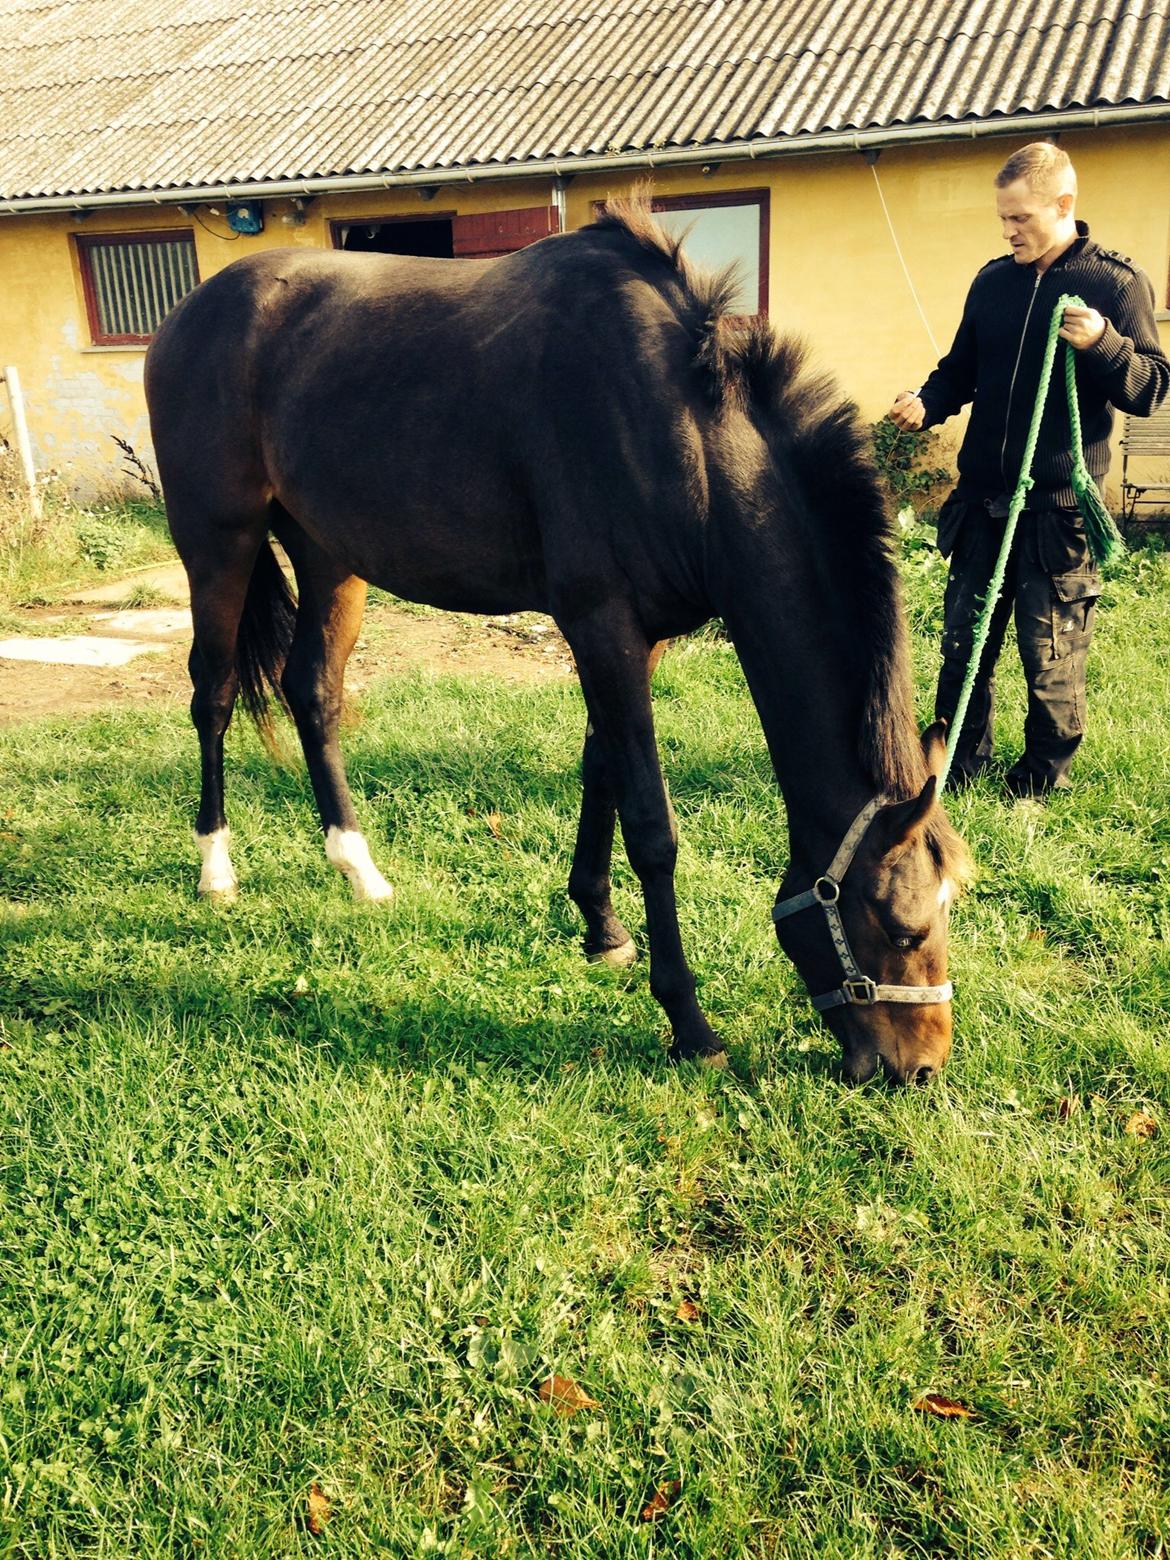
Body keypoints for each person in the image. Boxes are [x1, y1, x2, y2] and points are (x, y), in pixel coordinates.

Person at [888, 142, 1169, 796]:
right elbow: (960, 369)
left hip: (1057, 516)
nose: (1008, 230)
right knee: (964, 649)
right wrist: (929, 401)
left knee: (1050, 660)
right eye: (1003, 218)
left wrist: (1103, 343)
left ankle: (1041, 785)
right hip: (982, 502)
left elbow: (1152, 387)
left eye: (1021, 218)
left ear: (1063, 206)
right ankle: (960, 766)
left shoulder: (1114, 285)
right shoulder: (992, 282)